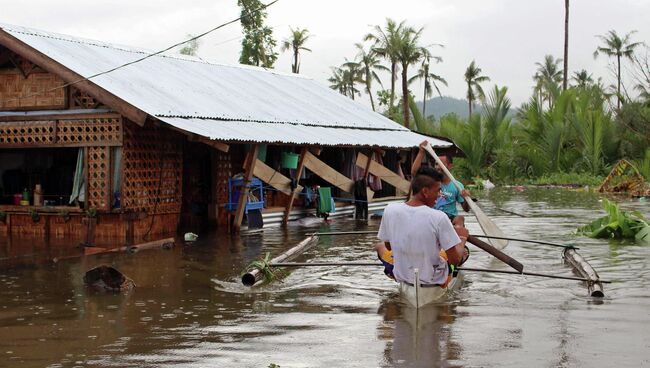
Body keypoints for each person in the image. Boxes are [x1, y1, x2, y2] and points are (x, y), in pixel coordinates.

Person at [375, 166, 469, 287]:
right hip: (432, 279)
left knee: (381, 246)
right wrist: (462, 237)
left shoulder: (389, 210)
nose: (440, 195)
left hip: (403, 276)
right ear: (425, 191)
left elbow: (388, 246)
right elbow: (455, 260)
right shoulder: (439, 217)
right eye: (437, 191)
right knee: (464, 252)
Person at [410, 140, 471, 228]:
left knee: (460, 218)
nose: (438, 167)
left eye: (441, 164)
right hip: (431, 216)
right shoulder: (430, 181)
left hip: (449, 218)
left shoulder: (457, 185)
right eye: (436, 164)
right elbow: (414, 172)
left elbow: (466, 209)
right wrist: (421, 151)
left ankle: (459, 234)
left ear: (450, 166)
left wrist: (466, 198)